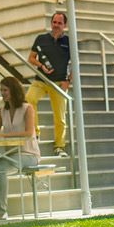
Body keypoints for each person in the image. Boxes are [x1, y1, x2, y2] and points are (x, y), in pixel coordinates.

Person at [0, 76, 41, 220]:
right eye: (1, 90)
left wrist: (1, 137)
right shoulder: (2, 111)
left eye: (5, 90)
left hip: (29, 155)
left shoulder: (27, 108)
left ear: (13, 90)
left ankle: (1, 211)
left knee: (0, 167)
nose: (2, 93)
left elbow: (29, 133)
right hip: (11, 155)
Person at [26, 10, 70, 157]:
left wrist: (68, 81)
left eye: (59, 23)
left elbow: (75, 63)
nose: (56, 25)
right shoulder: (41, 39)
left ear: (65, 25)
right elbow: (31, 58)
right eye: (54, 22)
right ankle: (35, 133)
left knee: (60, 118)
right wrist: (41, 65)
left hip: (59, 83)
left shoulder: (68, 42)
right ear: (51, 23)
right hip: (41, 80)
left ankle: (59, 146)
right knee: (29, 99)